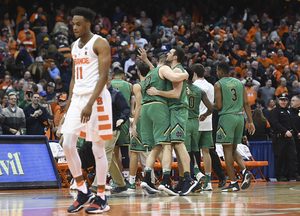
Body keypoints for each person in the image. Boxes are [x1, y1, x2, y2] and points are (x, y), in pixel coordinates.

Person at [60, 7, 112, 214]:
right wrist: (70, 103)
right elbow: (74, 77)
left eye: (78, 24)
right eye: (73, 24)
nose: (74, 27)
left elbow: (103, 76)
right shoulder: (74, 46)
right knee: (67, 144)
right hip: (78, 99)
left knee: (97, 148)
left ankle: (101, 197)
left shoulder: (100, 43)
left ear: (88, 24)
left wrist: (90, 103)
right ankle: (83, 191)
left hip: (97, 98)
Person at [145, 47, 197, 196]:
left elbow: (175, 93)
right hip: (173, 110)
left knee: (179, 144)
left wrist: (157, 92)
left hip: (179, 109)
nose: (167, 54)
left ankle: (189, 178)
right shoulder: (171, 72)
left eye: (170, 53)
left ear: (175, 57)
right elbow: (157, 71)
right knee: (175, 145)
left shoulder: (179, 71)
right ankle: (183, 179)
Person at [214, 62, 255, 192]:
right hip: (240, 117)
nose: (216, 73)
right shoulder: (239, 83)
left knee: (227, 152)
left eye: (217, 71)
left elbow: (219, 106)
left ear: (220, 71)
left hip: (227, 118)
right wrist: (251, 122)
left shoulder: (218, 84)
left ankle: (233, 183)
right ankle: (244, 171)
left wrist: (207, 104)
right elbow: (247, 103)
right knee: (232, 150)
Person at [90, 74, 130, 194]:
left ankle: (98, 184)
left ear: (109, 79)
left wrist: (122, 119)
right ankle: (121, 184)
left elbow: (126, 109)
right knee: (110, 156)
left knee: (104, 153)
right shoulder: (98, 94)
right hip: (100, 129)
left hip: (113, 128)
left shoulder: (116, 94)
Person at [185, 65, 214, 191]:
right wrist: (205, 115)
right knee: (205, 152)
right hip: (204, 121)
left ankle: (195, 174)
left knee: (188, 151)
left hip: (189, 121)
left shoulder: (184, 89)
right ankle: (208, 181)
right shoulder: (210, 86)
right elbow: (212, 107)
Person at [129, 62, 150, 190]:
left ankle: (131, 181)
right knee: (156, 150)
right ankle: (152, 179)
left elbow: (139, 105)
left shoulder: (138, 86)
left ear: (138, 72)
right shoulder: (154, 83)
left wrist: (135, 123)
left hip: (142, 119)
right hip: (154, 118)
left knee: (134, 152)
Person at [270, 94, 300, 181]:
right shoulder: (275, 111)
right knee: (279, 157)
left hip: (289, 138)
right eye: (281, 100)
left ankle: (294, 174)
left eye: (285, 100)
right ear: (278, 101)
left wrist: (297, 133)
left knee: (293, 156)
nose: (283, 102)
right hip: (280, 138)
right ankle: (279, 175)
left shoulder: (288, 111)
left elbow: (291, 124)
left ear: (287, 101)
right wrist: (285, 131)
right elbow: (275, 123)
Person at [290, 95, 300, 175]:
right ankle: (293, 173)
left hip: (299, 137)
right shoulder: (288, 111)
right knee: (292, 157)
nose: (291, 102)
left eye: (293, 100)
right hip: (290, 137)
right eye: (291, 100)